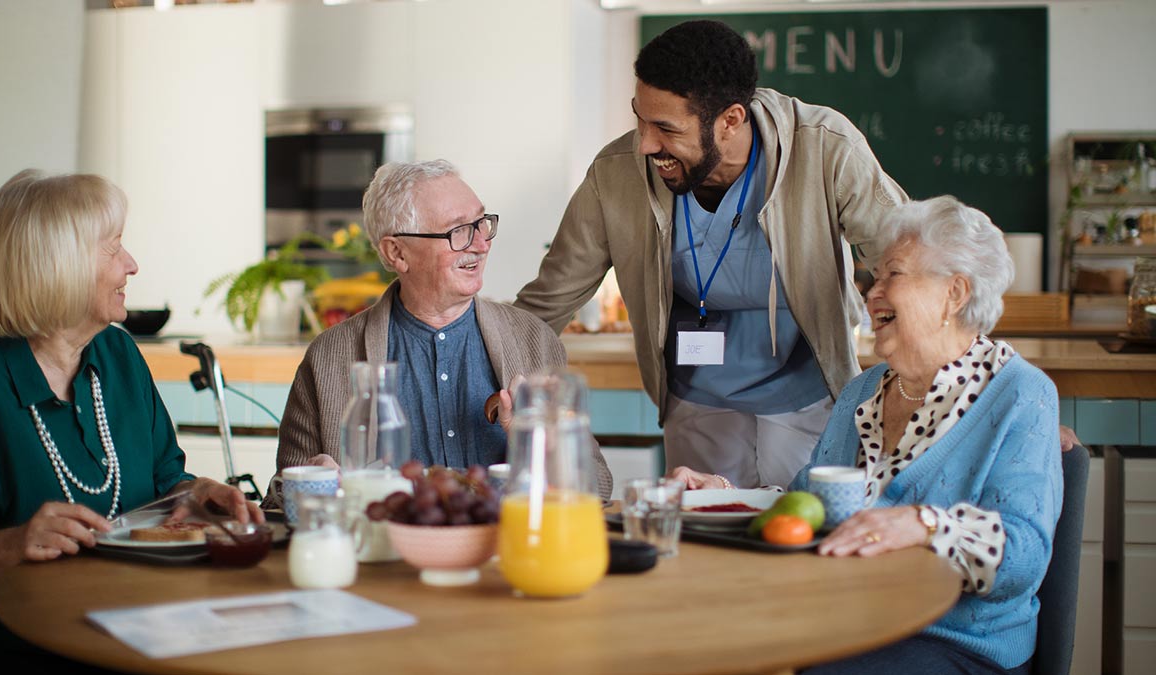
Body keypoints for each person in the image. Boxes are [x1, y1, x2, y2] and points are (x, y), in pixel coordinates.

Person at [514, 20, 907, 490]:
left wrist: (911, 373)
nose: (645, 144)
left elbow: (907, 256)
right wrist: (499, 374)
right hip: (697, 397)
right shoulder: (616, 175)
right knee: (706, 536)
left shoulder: (824, 147)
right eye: (639, 118)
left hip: (807, 395)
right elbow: (547, 301)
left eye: (665, 127)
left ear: (731, 121)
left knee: (800, 534)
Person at [696, 196, 1061, 673]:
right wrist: (722, 498)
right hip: (849, 619)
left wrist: (925, 525)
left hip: (955, 640)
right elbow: (809, 504)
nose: (871, 292)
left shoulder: (1020, 395)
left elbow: (1024, 557)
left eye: (894, 274)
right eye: (875, 276)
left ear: (955, 293)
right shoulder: (862, 391)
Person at [0, 170, 262, 658]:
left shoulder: (117, 355)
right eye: (114, 246)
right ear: (60, 263)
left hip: (143, 625)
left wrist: (196, 491)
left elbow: (166, 480)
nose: (132, 264)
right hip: (25, 645)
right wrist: (16, 542)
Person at [271, 160, 613, 500]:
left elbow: (596, 487)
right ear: (397, 253)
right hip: (385, 552)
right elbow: (277, 501)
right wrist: (309, 486)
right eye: (458, 231)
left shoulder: (534, 340)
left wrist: (536, 443)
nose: (481, 243)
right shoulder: (329, 356)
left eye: (481, 223)